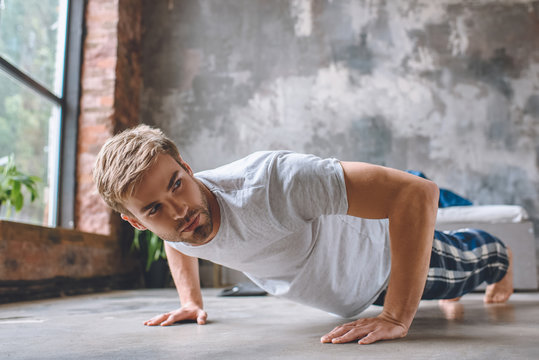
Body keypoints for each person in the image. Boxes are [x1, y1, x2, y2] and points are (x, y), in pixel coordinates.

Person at [93, 125, 513, 345]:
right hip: (343, 292)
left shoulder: (273, 181)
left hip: (379, 264)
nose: (179, 211)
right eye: (153, 210)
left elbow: (416, 194)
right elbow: (176, 240)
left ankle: (503, 257)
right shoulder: (174, 222)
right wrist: (190, 301)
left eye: (176, 185)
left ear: (185, 165)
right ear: (138, 222)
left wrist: (396, 317)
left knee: (475, 262)